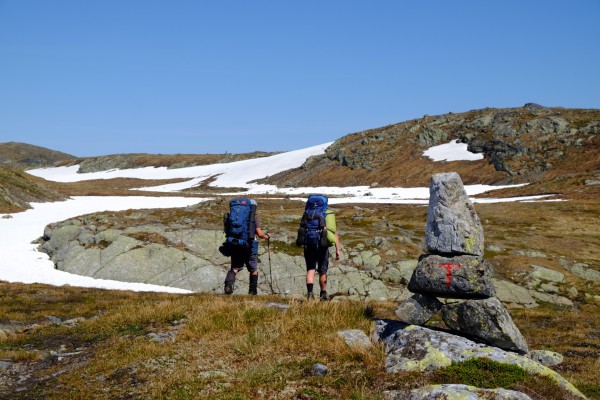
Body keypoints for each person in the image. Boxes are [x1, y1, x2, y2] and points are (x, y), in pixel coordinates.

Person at [223, 199, 270, 295]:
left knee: (235, 268)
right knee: (253, 269)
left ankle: (228, 286)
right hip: (250, 245)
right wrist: (267, 236)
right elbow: (259, 234)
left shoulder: (233, 215)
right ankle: (252, 291)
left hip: (235, 244)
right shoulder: (254, 217)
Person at [299, 195, 341, 301]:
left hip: (308, 244)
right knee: (322, 271)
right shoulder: (327, 214)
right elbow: (333, 233)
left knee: (310, 269)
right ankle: (323, 295)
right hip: (322, 245)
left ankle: (309, 294)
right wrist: (337, 250)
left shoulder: (307, 213)